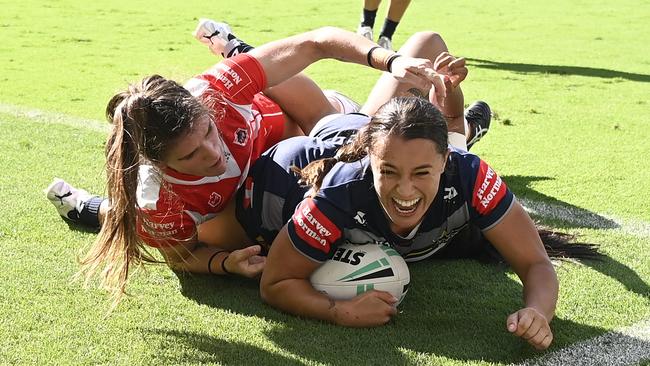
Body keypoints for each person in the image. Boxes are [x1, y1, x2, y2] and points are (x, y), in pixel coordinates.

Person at [45, 20, 459, 305]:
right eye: (189, 156)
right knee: (209, 227)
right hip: (256, 200)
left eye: (208, 131)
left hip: (315, 129)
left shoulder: (216, 89)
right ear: (160, 164)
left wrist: (389, 62)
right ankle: (102, 210)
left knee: (425, 46)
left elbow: (316, 43)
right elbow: (181, 255)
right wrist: (225, 263)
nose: (213, 152)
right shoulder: (158, 197)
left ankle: (241, 51)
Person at [256, 96, 571, 351]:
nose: (405, 191)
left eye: (422, 172)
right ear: (369, 160)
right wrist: (339, 312)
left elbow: (535, 263)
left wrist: (538, 312)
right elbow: (275, 283)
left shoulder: (470, 176)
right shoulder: (336, 197)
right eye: (388, 172)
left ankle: (463, 128)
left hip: (366, 134)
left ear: (446, 160)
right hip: (286, 168)